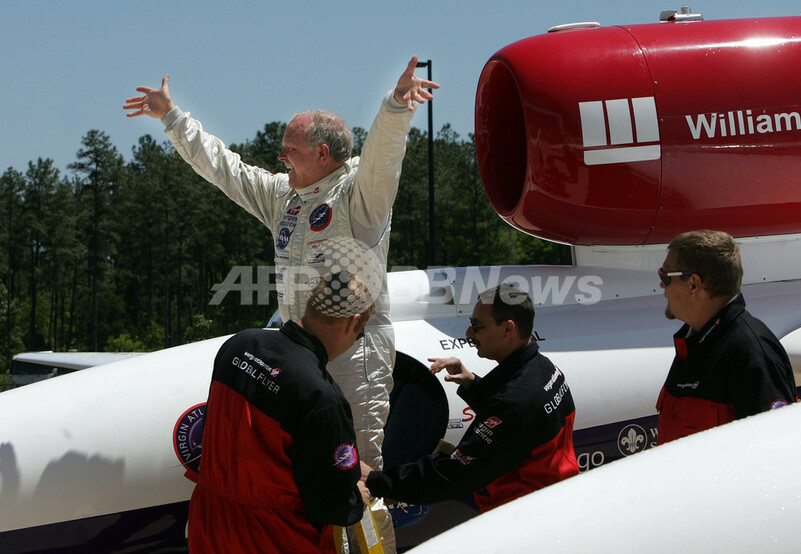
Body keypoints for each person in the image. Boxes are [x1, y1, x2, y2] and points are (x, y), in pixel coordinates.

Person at [124, 58, 438, 552]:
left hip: (353, 355)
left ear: (322, 153)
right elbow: (226, 169)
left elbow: (383, 158)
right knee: (298, 476)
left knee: (357, 478)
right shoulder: (285, 197)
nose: (280, 155)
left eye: (290, 148)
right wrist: (172, 118)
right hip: (298, 356)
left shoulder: (359, 197)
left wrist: (396, 106)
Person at [186, 272, 375, 553]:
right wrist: (355, 496)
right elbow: (332, 506)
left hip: (210, 524)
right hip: (274, 536)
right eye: (360, 335)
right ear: (352, 321)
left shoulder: (239, 345)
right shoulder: (321, 396)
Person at [362, 283, 579, 514]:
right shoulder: (546, 370)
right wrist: (472, 384)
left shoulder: (514, 403)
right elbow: (516, 431)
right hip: (557, 497)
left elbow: (454, 474)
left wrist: (376, 481)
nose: (469, 333)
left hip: (522, 514)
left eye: (477, 326)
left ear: (508, 329)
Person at [656, 229, 798, 444]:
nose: (661, 285)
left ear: (694, 284)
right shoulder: (694, 344)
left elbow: (774, 449)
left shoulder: (751, 355)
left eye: (665, 276)